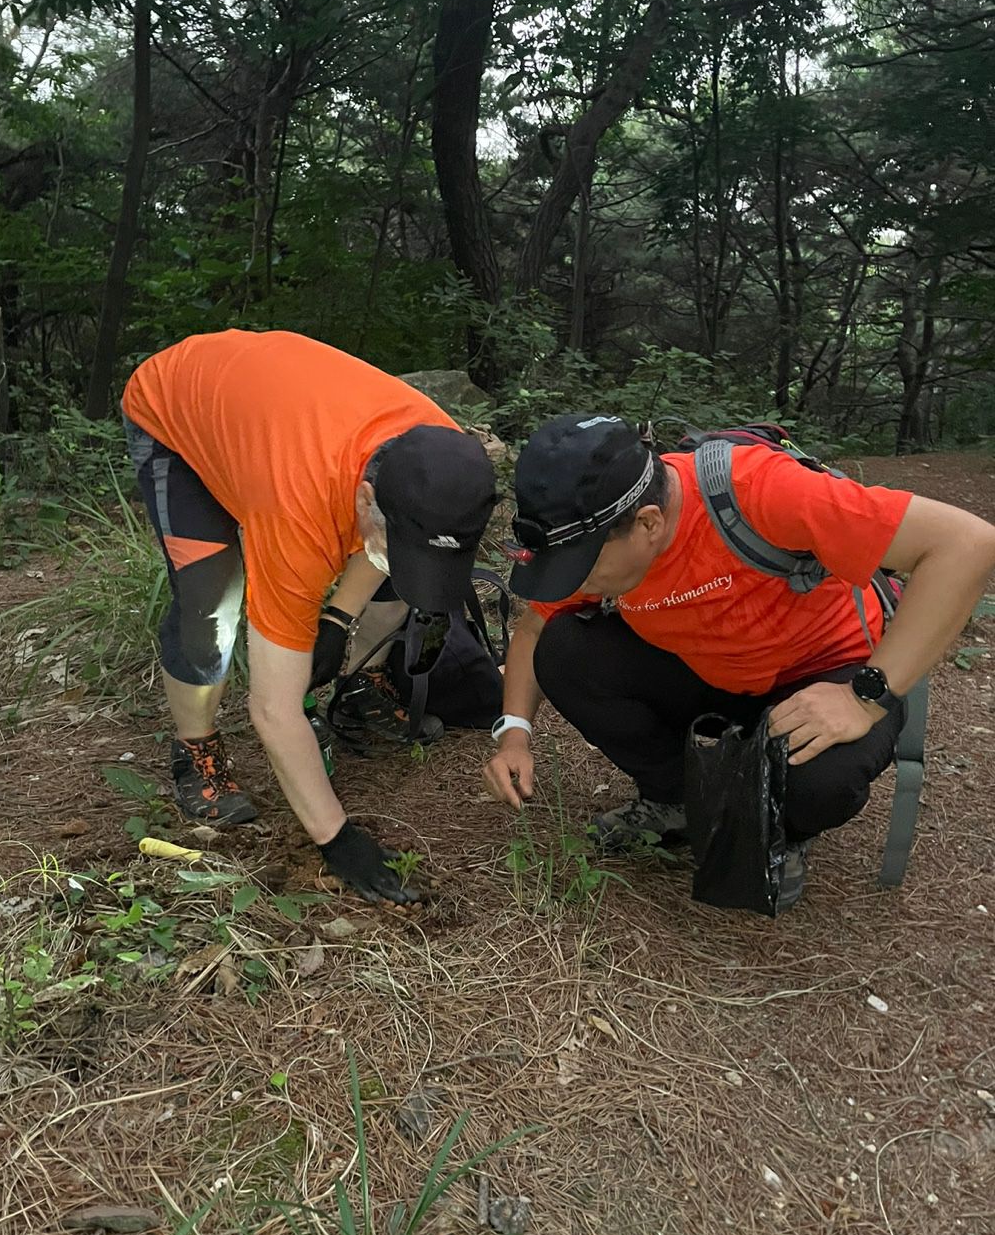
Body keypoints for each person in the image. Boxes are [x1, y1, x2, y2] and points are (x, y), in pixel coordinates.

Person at [484, 413, 995, 907]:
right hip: (710, 671)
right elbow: (534, 628)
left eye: (582, 567)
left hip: (822, 677)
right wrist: (514, 734)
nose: (575, 582)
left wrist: (863, 698)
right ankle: (676, 799)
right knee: (565, 649)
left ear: (648, 522)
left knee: (820, 784)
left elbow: (968, 544)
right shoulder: (598, 531)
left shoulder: (760, 490)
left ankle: (780, 828)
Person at [122, 329, 496, 904]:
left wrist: (337, 621)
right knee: (210, 603)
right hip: (177, 408)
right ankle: (196, 749)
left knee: (401, 571)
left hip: (280, 420)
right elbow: (273, 708)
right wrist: (336, 837)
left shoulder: (443, 460)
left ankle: (363, 685)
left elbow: (380, 541)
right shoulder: (298, 509)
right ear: (365, 498)